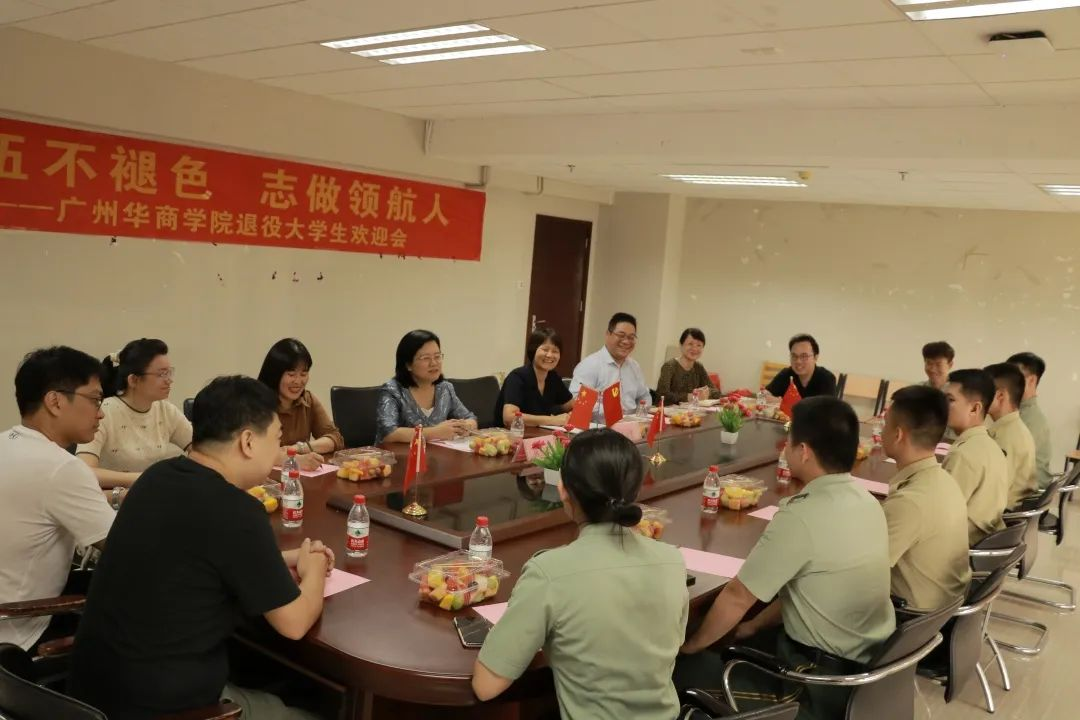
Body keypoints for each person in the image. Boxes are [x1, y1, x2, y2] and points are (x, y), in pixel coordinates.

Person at [68, 376, 331, 720]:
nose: (279, 452)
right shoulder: (237, 510)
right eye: (277, 439)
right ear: (248, 442)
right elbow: (294, 624)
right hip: (165, 708)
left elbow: (195, 557)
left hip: (91, 695)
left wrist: (286, 558)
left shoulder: (156, 478)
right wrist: (314, 572)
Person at [676, 397, 895, 720]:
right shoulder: (868, 502)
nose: (785, 448)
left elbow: (737, 596)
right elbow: (810, 589)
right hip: (867, 673)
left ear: (803, 451)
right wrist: (754, 625)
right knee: (740, 635)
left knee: (680, 669)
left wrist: (691, 646)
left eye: (788, 441)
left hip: (814, 684)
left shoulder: (802, 516)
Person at [472, 429, 687, 720]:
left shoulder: (549, 572)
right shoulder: (672, 560)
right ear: (636, 491)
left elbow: (486, 686)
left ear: (563, 489)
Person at [0, 347, 115, 652]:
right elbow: (128, 547)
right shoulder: (61, 467)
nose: (101, 413)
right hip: (18, 630)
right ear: (55, 401)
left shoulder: (7, 442)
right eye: (95, 399)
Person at [880, 386, 971, 611]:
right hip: (944, 606)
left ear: (898, 435)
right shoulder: (944, 479)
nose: (881, 432)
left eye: (885, 424)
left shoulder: (910, 502)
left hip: (911, 616)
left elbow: (860, 572)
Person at [76, 338, 191, 493]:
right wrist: (144, 479)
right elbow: (85, 471)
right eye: (162, 374)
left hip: (153, 493)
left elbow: (202, 449)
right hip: (112, 499)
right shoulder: (104, 412)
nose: (169, 380)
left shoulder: (165, 409)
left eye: (169, 372)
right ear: (133, 380)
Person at [941, 369, 1009, 545]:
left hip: (963, 546)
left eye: (950, 400)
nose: (942, 406)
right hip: (987, 540)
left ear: (974, 408)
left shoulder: (963, 455)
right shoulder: (990, 444)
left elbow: (941, 517)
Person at [375, 330, 477, 444]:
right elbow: (388, 433)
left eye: (437, 356)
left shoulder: (444, 388)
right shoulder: (393, 391)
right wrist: (435, 432)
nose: (434, 363)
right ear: (408, 364)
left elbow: (470, 418)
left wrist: (465, 426)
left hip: (436, 453)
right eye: (426, 358)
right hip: (402, 454)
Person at [258, 338, 344, 471]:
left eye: (304, 374)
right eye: (291, 374)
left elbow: (336, 439)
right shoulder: (256, 403)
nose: (298, 381)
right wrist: (295, 460)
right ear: (275, 375)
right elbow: (255, 453)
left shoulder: (307, 400)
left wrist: (300, 448)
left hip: (299, 478)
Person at [570, 312, 651, 422]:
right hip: (600, 428)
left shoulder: (634, 366)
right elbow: (577, 400)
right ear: (608, 334)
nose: (626, 341)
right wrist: (612, 411)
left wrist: (641, 414)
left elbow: (644, 396)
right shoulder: (590, 365)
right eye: (621, 335)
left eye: (631, 337)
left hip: (631, 426)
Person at [494, 327, 574, 428]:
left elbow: (571, 405)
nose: (550, 355)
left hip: (539, 433)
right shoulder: (517, 377)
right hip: (508, 435)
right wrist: (552, 420)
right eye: (545, 350)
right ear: (533, 350)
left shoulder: (553, 377)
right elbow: (509, 418)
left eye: (555, 351)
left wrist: (572, 414)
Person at [984, 363, 1038, 508]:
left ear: (1000, 396)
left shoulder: (1007, 438)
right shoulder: (1012, 428)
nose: (978, 397)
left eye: (983, 392)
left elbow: (994, 493)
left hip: (1006, 514)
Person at [1008, 352, 1054, 491]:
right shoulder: (1021, 413)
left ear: (1032, 380)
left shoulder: (1028, 420)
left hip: (1028, 492)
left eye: (1012, 378)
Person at [655, 328, 721, 405]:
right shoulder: (669, 366)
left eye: (699, 345)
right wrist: (689, 397)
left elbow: (716, 392)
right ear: (681, 345)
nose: (694, 348)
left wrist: (706, 393)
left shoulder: (698, 367)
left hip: (691, 411)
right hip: (668, 411)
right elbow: (662, 395)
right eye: (690, 344)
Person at [764, 334, 837, 400]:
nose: (798, 361)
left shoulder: (827, 378)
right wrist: (772, 399)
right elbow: (764, 394)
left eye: (804, 356)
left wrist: (784, 403)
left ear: (815, 357)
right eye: (794, 356)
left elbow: (828, 409)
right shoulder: (786, 374)